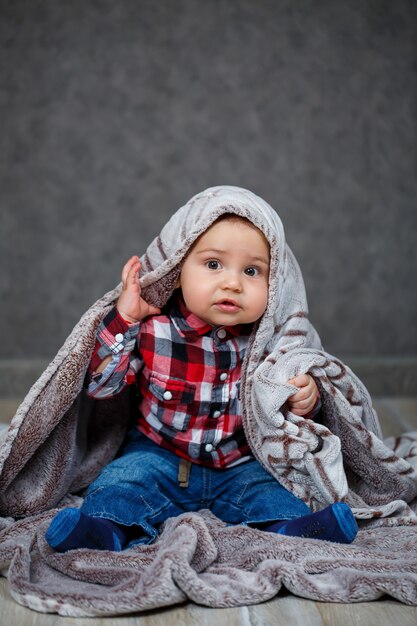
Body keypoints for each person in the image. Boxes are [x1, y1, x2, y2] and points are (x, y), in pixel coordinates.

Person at [45, 208, 358, 552]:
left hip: (239, 462)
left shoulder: (272, 342)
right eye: (213, 265)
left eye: (252, 271)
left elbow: (287, 420)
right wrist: (123, 321)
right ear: (177, 272)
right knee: (120, 483)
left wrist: (306, 399)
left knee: (272, 493)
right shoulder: (153, 330)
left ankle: (293, 529)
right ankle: (103, 531)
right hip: (159, 453)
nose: (232, 283)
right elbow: (102, 386)